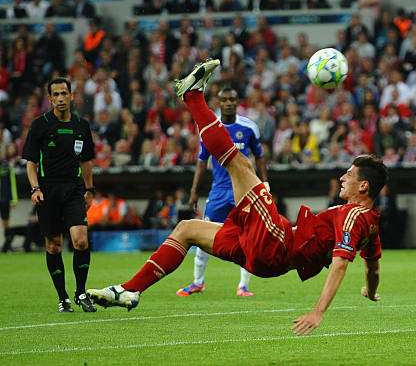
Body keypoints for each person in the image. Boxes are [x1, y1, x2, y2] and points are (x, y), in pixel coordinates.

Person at [88, 61, 387, 336]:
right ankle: (129, 290)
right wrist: (371, 292)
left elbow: (340, 264)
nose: (343, 178)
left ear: (364, 187)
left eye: (349, 175)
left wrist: (318, 312)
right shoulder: (369, 223)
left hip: (277, 242)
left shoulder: (354, 216)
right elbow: (372, 266)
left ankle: (192, 96)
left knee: (240, 163)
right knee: (186, 229)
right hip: (267, 257)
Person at [176, 87, 268, 298]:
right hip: (218, 192)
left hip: (243, 191)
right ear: (218, 103)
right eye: (224, 100)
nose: (228, 103)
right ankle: (198, 282)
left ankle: (243, 286)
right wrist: (194, 192)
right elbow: (201, 162)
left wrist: (265, 182)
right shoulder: (210, 128)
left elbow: (260, 156)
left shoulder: (249, 127)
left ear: (237, 102)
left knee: (247, 236)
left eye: (232, 99)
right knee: (202, 236)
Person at [21, 77, 97, 313]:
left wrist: (89, 189)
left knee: (81, 240)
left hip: (73, 189)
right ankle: (63, 297)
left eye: (65, 93)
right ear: (50, 98)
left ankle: (81, 292)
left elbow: (86, 161)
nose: (61, 98)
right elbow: (31, 163)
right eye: (56, 94)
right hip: (47, 191)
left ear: (72, 96)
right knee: (54, 246)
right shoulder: (40, 125)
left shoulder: (81, 126)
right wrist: (35, 188)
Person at [0, 145, 18, 252]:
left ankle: (7, 244)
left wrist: (14, 199)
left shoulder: (7, 167)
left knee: (6, 222)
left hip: (4, 199)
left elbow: (13, 184)